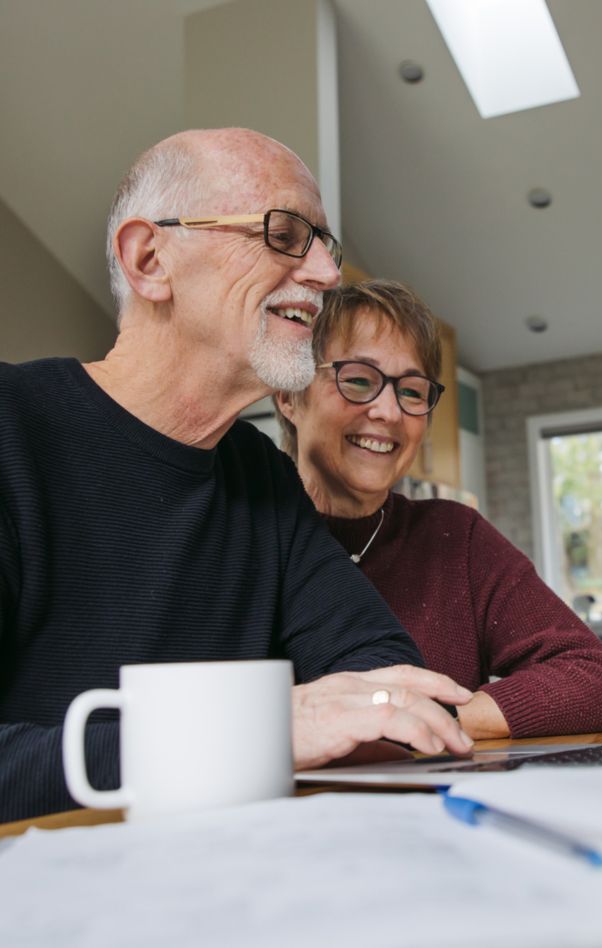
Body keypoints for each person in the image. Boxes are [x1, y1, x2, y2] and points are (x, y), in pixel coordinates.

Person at [0, 131, 475, 823]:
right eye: (285, 234)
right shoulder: (12, 428)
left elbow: (382, 672)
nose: (325, 274)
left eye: (324, 244)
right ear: (149, 259)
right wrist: (248, 734)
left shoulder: (261, 478)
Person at [275, 279, 602, 739]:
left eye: (413, 391)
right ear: (289, 395)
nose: (389, 411)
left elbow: (596, 680)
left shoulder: (454, 537)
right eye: (359, 379)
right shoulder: (240, 533)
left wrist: (432, 720)